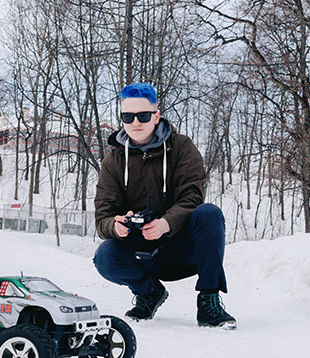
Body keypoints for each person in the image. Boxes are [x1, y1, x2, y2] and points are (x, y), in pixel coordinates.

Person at [92, 82, 236, 329]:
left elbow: (192, 198)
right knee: (105, 257)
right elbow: (103, 215)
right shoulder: (113, 160)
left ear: (156, 116)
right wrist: (115, 227)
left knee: (209, 214)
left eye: (143, 115)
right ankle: (149, 292)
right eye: (127, 116)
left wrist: (166, 223)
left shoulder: (182, 148)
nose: (135, 122)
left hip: (183, 247)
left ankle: (209, 300)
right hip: (142, 249)